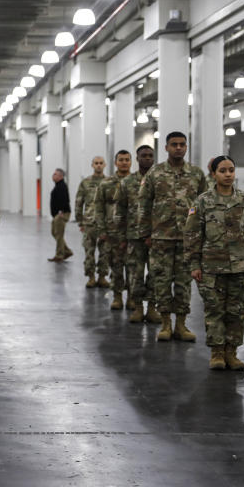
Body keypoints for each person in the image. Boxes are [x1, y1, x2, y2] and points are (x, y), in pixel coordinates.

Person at [185, 155, 244, 371]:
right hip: (211, 266)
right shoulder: (203, 201)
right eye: (223, 170)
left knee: (236, 311)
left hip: (241, 266)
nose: (228, 174)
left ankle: (232, 352)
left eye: (231, 170)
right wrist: (194, 264)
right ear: (214, 174)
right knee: (214, 310)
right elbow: (192, 234)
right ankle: (217, 352)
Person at [137, 131, 206, 342]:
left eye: (182, 144)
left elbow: (204, 205)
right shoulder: (155, 173)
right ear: (165, 148)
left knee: (184, 282)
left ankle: (181, 325)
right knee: (162, 281)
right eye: (174, 144)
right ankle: (166, 324)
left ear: (186, 147)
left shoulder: (196, 174)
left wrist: (202, 236)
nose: (178, 147)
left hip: (187, 239)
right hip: (161, 238)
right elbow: (144, 203)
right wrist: (145, 233)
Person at [116, 145, 162, 324]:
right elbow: (119, 210)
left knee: (155, 274)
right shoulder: (127, 182)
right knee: (135, 274)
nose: (147, 159)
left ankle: (152, 308)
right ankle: (137, 308)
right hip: (134, 236)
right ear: (137, 158)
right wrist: (120, 237)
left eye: (151, 155)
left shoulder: (161, 180)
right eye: (143, 156)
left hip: (157, 236)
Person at [91, 150, 131, 310]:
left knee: (133, 267)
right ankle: (117, 296)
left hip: (132, 232)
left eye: (127, 160)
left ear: (131, 162)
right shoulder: (106, 183)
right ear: (115, 162)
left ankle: (132, 298)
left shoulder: (136, 182)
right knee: (115, 266)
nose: (124, 162)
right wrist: (102, 229)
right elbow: (98, 207)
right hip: (112, 232)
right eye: (121, 160)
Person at [76, 157, 107, 286]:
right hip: (89, 222)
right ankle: (91, 277)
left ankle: (102, 277)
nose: (98, 166)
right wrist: (80, 222)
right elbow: (79, 202)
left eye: (101, 163)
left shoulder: (109, 181)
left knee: (105, 252)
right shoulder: (85, 182)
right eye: (96, 163)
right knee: (89, 251)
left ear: (104, 165)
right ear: (92, 165)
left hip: (105, 223)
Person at [49, 169, 72, 262]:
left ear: (61, 176)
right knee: (54, 233)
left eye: (55, 174)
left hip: (62, 213)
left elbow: (65, 199)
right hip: (57, 214)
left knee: (59, 235)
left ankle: (59, 255)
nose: (53, 176)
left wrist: (61, 211)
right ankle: (67, 251)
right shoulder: (58, 186)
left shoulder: (62, 186)